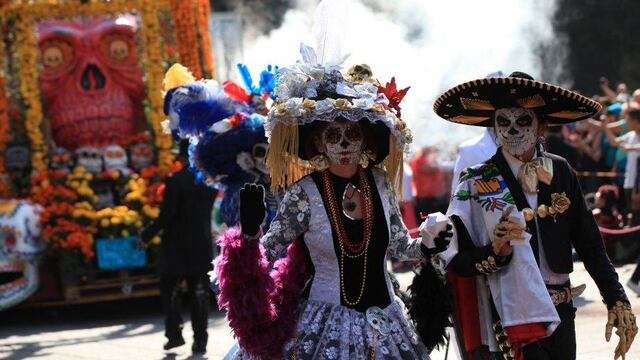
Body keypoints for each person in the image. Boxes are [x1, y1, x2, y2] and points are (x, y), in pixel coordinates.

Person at [213, 44, 453, 359]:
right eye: (332, 135)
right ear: (318, 143)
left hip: (387, 324)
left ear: (365, 139)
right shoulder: (305, 192)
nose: (342, 144)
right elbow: (267, 254)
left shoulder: (379, 183)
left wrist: (427, 242)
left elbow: (397, 246)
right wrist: (248, 232)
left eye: (351, 134)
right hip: (324, 324)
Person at [433, 71, 637, 360]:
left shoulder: (561, 170)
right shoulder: (476, 182)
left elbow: (589, 242)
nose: (512, 130)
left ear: (542, 125)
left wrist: (617, 298)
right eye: (504, 121)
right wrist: (495, 252)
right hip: (510, 315)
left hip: (562, 311)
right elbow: (458, 262)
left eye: (523, 120)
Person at [140, 139, 217, 354]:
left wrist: (146, 234)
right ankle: (200, 341)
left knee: (170, 292)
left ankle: (174, 334)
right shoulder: (210, 182)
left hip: (175, 246)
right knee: (199, 295)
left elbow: (167, 216)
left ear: (183, 157)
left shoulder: (175, 181)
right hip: (201, 245)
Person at [603, 108, 640, 215]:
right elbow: (614, 142)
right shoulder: (630, 135)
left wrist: (631, 147)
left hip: (638, 183)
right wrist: (606, 127)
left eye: (627, 119)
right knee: (631, 211)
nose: (626, 122)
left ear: (635, 121)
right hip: (629, 181)